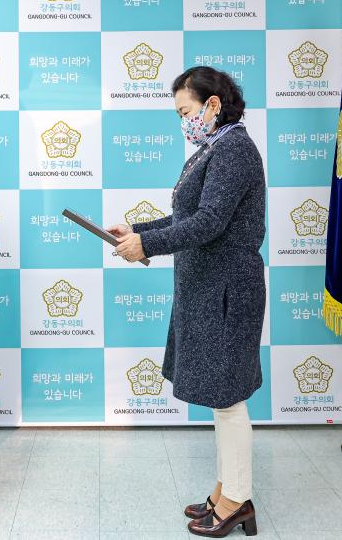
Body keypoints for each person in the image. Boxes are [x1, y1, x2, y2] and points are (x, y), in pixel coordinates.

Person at [110, 66, 266, 538]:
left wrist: (147, 245)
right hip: (208, 289)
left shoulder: (234, 149)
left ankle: (237, 500)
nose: (184, 121)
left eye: (186, 111)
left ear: (213, 104)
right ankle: (225, 489)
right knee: (222, 398)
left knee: (228, 399)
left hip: (226, 290)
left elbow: (210, 222)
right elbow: (186, 216)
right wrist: (138, 230)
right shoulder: (214, 147)